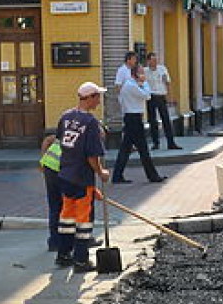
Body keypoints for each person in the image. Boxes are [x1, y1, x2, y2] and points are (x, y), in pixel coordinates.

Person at [54, 82, 110, 271]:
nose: (99, 101)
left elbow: (60, 141)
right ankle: (81, 260)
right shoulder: (91, 123)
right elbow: (92, 155)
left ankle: (63, 254)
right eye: (98, 97)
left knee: (66, 216)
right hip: (81, 176)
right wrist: (100, 172)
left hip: (65, 174)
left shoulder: (66, 116)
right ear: (91, 97)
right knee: (84, 219)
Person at [111, 64, 166, 184]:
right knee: (143, 149)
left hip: (133, 118)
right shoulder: (130, 85)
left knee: (125, 149)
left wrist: (142, 84)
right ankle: (152, 176)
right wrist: (145, 83)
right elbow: (147, 95)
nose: (143, 75)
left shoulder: (133, 85)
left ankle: (117, 176)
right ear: (134, 74)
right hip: (133, 119)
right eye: (140, 73)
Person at [144, 52, 182, 150]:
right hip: (151, 97)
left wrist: (170, 96)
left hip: (161, 96)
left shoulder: (162, 69)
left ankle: (171, 142)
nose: (155, 62)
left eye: (156, 60)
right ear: (148, 61)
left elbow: (167, 83)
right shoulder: (145, 71)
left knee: (166, 119)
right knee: (153, 121)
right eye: (153, 60)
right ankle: (155, 143)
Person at [38, 128, 63, 253]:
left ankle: (54, 242)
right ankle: (63, 242)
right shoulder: (86, 136)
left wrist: (43, 161)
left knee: (55, 206)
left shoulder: (68, 129)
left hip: (49, 167)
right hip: (60, 170)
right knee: (65, 207)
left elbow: (47, 140)